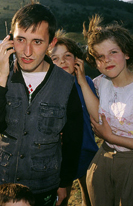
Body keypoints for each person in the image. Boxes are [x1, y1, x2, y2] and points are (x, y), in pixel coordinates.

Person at [0, 1, 83, 206]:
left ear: (51, 43)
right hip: (0, 182)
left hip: (43, 185)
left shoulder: (67, 84)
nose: (27, 51)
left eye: (37, 42)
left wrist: (65, 182)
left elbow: (73, 138)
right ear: (9, 40)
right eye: (21, 40)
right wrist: (1, 79)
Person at [78, 14, 133, 206]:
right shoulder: (102, 83)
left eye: (112, 52)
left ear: (126, 52)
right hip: (105, 158)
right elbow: (97, 114)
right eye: (100, 57)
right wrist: (82, 80)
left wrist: (112, 138)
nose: (106, 60)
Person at [48, 29, 98, 206]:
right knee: (62, 197)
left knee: (91, 197)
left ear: (76, 59)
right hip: (62, 156)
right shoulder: (49, 89)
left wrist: (83, 80)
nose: (61, 61)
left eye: (67, 55)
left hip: (86, 150)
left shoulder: (86, 82)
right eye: (55, 58)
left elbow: (96, 115)